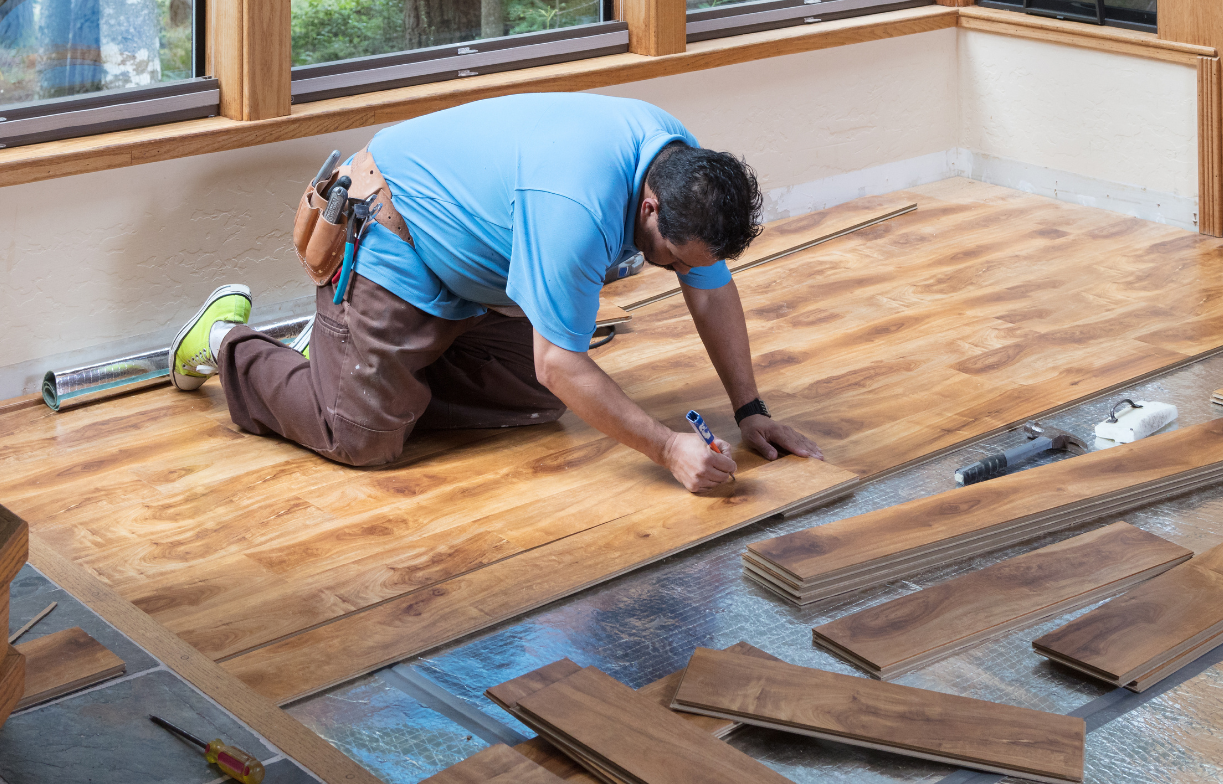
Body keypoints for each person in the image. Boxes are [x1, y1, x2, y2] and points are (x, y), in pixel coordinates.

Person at [168, 93, 823, 493]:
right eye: (672, 260)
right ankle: (229, 342)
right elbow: (560, 359)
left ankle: (351, 358)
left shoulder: (683, 173)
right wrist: (664, 447)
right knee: (362, 437)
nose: (680, 272)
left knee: (536, 402)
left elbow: (710, 289)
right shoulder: (578, 205)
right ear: (648, 207)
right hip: (394, 234)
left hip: (474, 271)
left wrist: (752, 410)